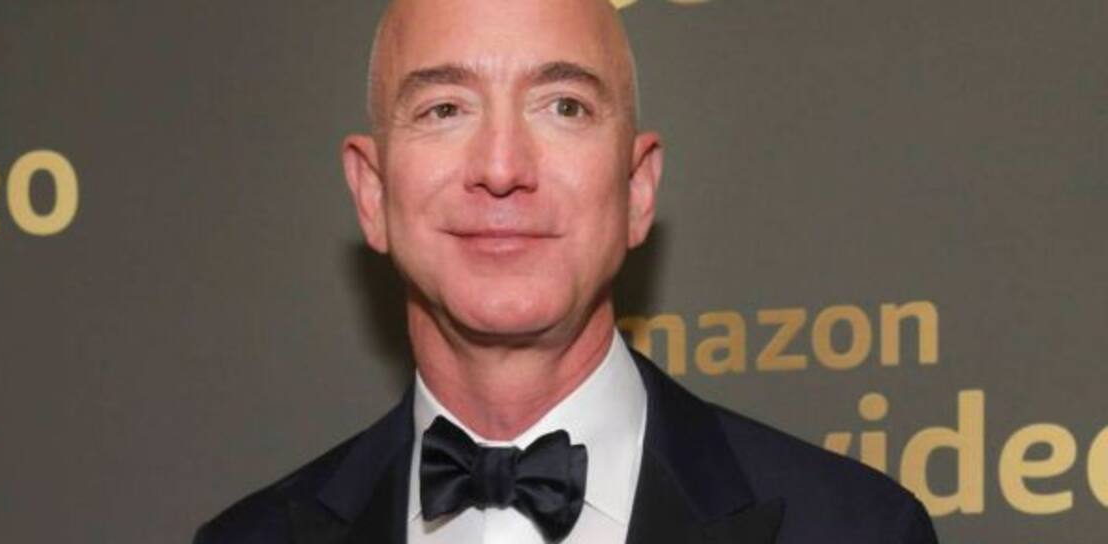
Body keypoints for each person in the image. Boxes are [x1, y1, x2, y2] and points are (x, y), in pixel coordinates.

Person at [195, 0, 938, 542]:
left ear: (637, 188)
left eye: (564, 107)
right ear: (372, 192)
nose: (501, 168)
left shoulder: (858, 531)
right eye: (445, 109)